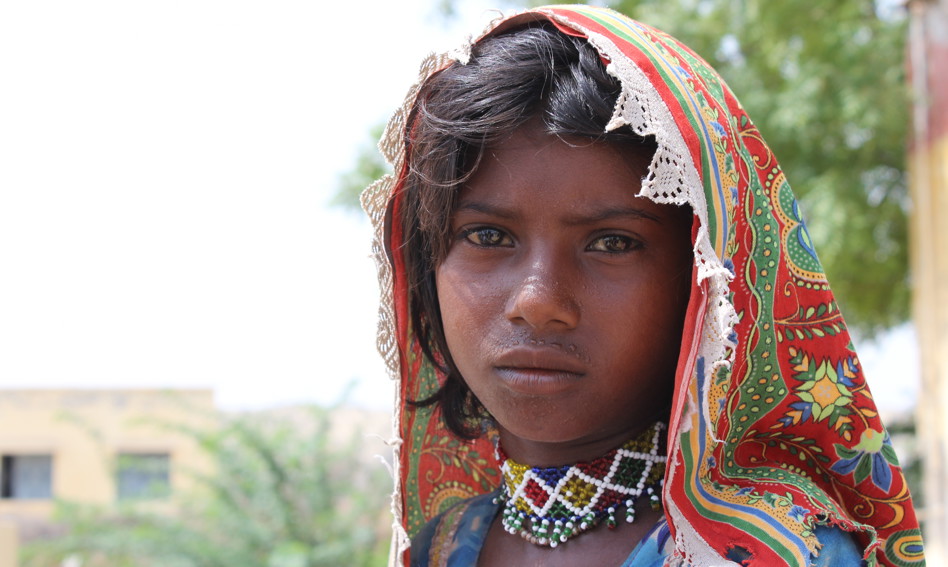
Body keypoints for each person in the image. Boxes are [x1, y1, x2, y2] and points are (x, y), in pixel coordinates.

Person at [362, 5, 924, 566]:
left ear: (706, 287)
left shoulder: (781, 555)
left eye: (612, 243)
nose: (537, 302)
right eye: (487, 235)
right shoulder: (439, 548)